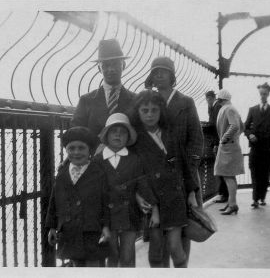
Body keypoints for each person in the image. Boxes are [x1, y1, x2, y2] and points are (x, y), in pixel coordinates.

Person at [144, 56, 202, 266]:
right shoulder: (149, 101)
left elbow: (196, 138)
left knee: (182, 232)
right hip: (156, 177)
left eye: (163, 71)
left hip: (183, 175)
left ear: (172, 75)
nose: (159, 75)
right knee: (157, 236)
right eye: (155, 72)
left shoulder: (186, 102)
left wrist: (190, 168)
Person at [131, 90, 193, 268]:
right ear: (138, 112)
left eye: (154, 110)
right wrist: (138, 195)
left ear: (161, 111)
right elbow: (135, 173)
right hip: (152, 199)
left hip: (175, 199)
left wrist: (192, 192)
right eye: (145, 110)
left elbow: (184, 164)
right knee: (156, 252)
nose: (150, 114)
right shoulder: (135, 140)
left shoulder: (170, 133)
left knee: (175, 247)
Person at [95, 113, 158, 267]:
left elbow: (143, 184)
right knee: (112, 255)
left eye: (123, 132)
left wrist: (155, 209)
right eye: (114, 131)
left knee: (128, 256)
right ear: (106, 135)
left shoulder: (134, 159)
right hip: (106, 216)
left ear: (128, 137)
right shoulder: (97, 160)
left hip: (129, 214)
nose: (118, 134)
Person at [45, 126, 111, 267]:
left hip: (92, 230)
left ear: (90, 151)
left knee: (94, 266)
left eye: (81, 148)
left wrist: (106, 226)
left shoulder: (99, 173)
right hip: (70, 230)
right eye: (71, 148)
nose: (76, 152)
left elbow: (106, 202)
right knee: (76, 264)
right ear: (66, 150)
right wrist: (51, 227)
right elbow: (54, 201)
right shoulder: (62, 173)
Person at [71, 38, 136, 138]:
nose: (111, 69)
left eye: (115, 64)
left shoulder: (136, 100)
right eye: (105, 65)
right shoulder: (86, 100)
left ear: (123, 65)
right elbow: (76, 134)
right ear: (99, 68)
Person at [244, 82, 270, 208]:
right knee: (254, 171)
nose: (262, 96)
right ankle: (255, 199)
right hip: (255, 147)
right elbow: (245, 127)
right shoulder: (252, 110)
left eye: (265, 94)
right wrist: (249, 135)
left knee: (265, 173)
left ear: (268, 94)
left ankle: (262, 197)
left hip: (268, 148)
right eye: (261, 94)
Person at [213, 89, 245, 215]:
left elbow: (235, 126)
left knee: (227, 175)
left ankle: (232, 204)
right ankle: (232, 203)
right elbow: (241, 127)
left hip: (228, 146)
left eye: (219, 99)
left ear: (221, 99)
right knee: (229, 175)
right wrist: (234, 138)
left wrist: (224, 139)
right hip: (231, 146)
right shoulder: (231, 108)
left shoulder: (228, 109)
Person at [205, 90, 228, 203]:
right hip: (219, 141)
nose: (207, 102)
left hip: (218, 142)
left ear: (210, 98)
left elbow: (215, 126)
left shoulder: (216, 107)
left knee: (221, 168)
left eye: (207, 99)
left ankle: (224, 194)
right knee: (220, 168)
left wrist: (215, 143)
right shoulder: (215, 107)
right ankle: (223, 193)